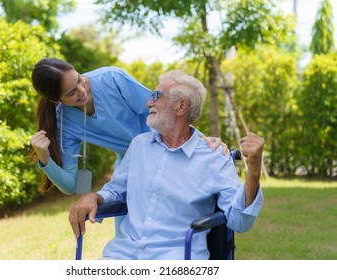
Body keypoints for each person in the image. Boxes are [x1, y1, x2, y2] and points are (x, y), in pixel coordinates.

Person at [69, 70, 265, 260]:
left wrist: (254, 171)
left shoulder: (214, 157)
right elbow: (116, 190)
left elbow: (239, 221)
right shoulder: (139, 145)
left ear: (181, 106)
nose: (148, 102)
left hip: (177, 258)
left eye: (157, 96)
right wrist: (94, 196)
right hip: (123, 254)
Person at [30, 58, 228, 234]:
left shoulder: (112, 79)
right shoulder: (64, 121)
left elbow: (162, 109)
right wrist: (44, 159)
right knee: (128, 236)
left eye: (80, 80)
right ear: (57, 100)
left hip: (168, 152)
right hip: (129, 169)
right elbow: (70, 185)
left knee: (173, 225)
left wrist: (200, 138)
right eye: (72, 92)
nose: (83, 92)